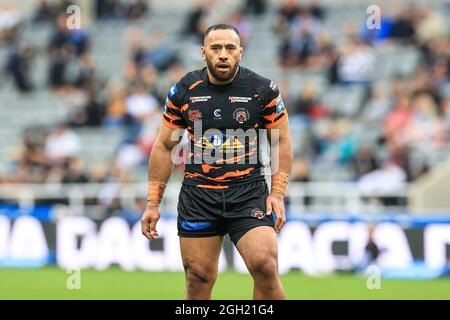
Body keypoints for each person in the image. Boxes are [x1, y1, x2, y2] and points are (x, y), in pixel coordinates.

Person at [140, 23, 293, 300]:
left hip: (248, 193)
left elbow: (280, 141)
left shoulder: (263, 90)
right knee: (198, 278)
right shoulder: (183, 91)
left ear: (240, 52)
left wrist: (278, 193)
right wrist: (153, 202)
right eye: (216, 48)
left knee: (265, 266)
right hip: (199, 196)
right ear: (203, 53)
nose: (223, 54)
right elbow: (164, 146)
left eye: (230, 48)